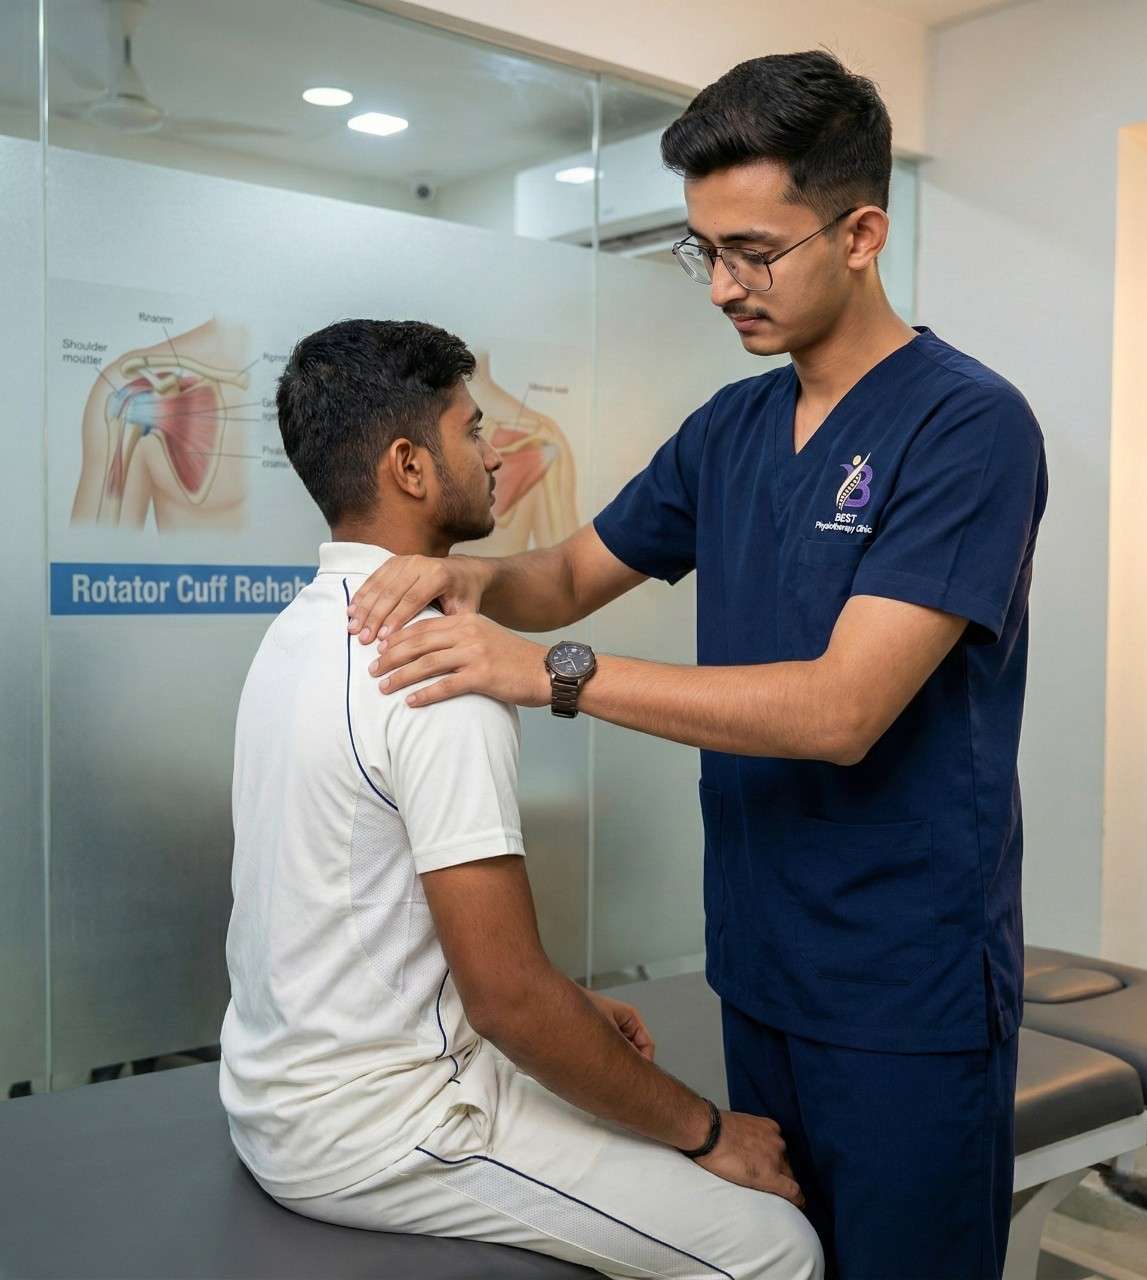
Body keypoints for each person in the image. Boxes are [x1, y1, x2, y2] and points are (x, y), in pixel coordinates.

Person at [347, 52, 1048, 1280]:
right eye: (700, 251)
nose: (721, 286)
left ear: (862, 230)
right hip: (760, 959)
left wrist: (544, 672)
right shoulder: (729, 429)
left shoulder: (966, 425)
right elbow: (564, 574)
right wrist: (457, 578)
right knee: (787, 1253)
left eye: (753, 252)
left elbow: (840, 709)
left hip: (902, 981)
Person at [219, 318, 822, 1280]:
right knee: (775, 1247)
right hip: (379, 1124)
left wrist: (573, 1011)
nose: (495, 450)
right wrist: (707, 1131)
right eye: (471, 430)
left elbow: (349, 901)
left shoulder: (298, 632)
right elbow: (505, 1000)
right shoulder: (435, 672)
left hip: (285, 1088)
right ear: (410, 466)